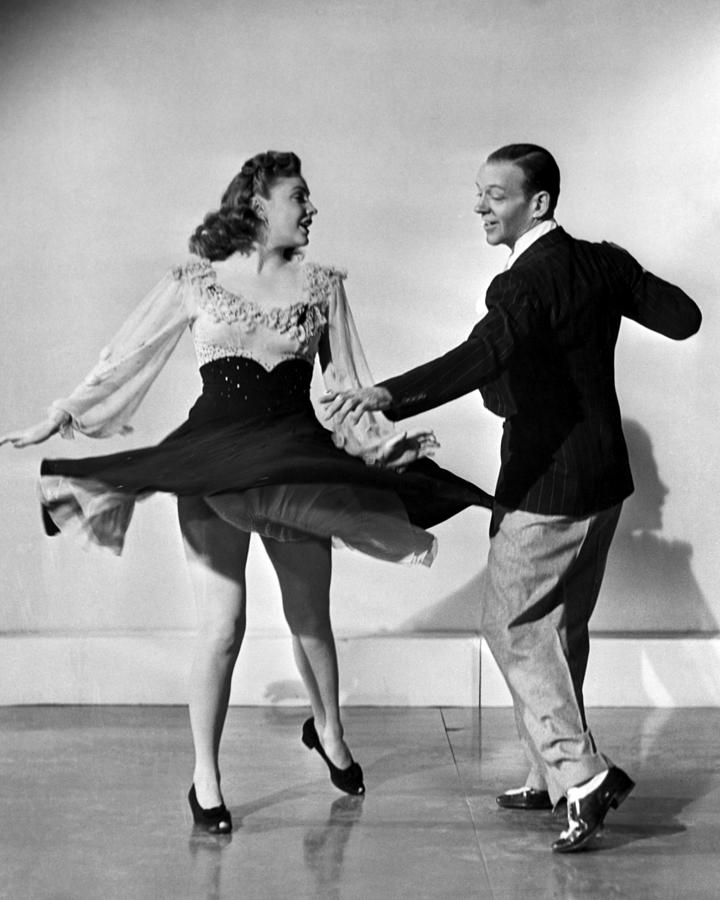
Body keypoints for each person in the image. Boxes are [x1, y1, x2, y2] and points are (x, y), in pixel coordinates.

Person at [0, 151, 491, 834]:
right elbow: (127, 354)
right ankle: (205, 777)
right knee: (222, 628)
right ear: (259, 201)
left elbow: (349, 380)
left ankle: (330, 732)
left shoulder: (322, 285)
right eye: (300, 195)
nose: (311, 208)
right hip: (212, 465)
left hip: (294, 464)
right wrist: (62, 414)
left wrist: (385, 447)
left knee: (309, 621)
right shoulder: (195, 282)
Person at [322, 143, 702, 853]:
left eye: (494, 195)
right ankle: (550, 775)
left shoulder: (522, 284)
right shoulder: (599, 262)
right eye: (479, 194)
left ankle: (583, 778)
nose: (480, 207)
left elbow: (482, 354)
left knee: (511, 626)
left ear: (539, 203)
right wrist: (614, 278)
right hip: (607, 481)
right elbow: (684, 319)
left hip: (549, 486)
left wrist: (386, 395)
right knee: (561, 630)